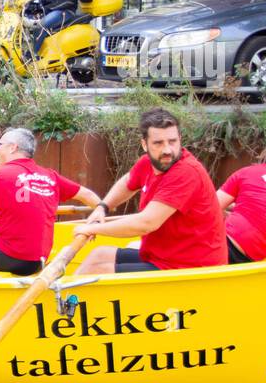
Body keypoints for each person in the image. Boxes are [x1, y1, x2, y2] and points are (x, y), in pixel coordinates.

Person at [74, 108, 227, 274]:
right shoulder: (148, 163)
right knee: (98, 255)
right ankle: (61, 299)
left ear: (180, 140)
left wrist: (92, 229)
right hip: (163, 257)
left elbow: (146, 223)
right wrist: (102, 207)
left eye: (172, 141)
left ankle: (66, 299)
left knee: (98, 270)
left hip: (193, 269)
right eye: (158, 143)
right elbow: (127, 182)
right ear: (144, 145)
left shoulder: (186, 172)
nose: (167, 150)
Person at [0, 127, 103, 275]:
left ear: (13, 148)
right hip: (39, 261)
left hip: (11, 256)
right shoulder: (50, 176)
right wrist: (101, 211)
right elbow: (88, 195)